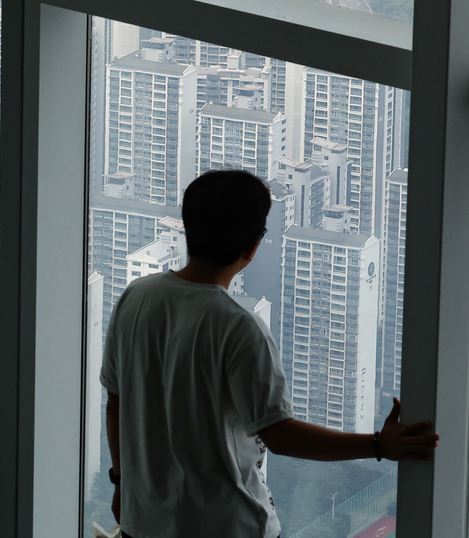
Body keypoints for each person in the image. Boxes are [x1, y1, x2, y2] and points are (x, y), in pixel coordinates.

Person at [101, 169, 438, 538]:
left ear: (189, 228)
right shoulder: (239, 327)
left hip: (143, 524)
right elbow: (280, 436)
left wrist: (121, 483)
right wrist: (377, 445)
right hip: (229, 528)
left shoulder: (135, 298)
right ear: (252, 247)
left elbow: (115, 403)